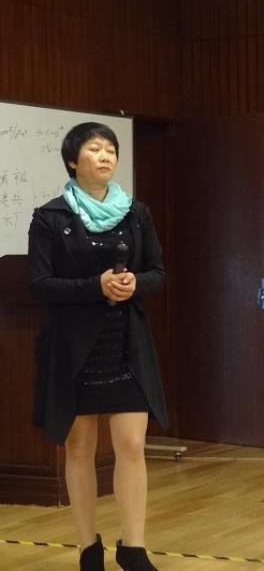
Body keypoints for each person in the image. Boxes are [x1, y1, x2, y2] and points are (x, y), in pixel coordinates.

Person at [28, 122, 167, 571]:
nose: (105, 157)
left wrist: (134, 283)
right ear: (73, 160)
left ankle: (134, 547)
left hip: (126, 345)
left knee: (132, 445)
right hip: (74, 350)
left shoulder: (136, 213)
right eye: (94, 149)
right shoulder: (50, 217)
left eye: (111, 150)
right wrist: (96, 285)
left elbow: (157, 273)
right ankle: (88, 547)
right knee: (80, 449)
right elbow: (40, 283)